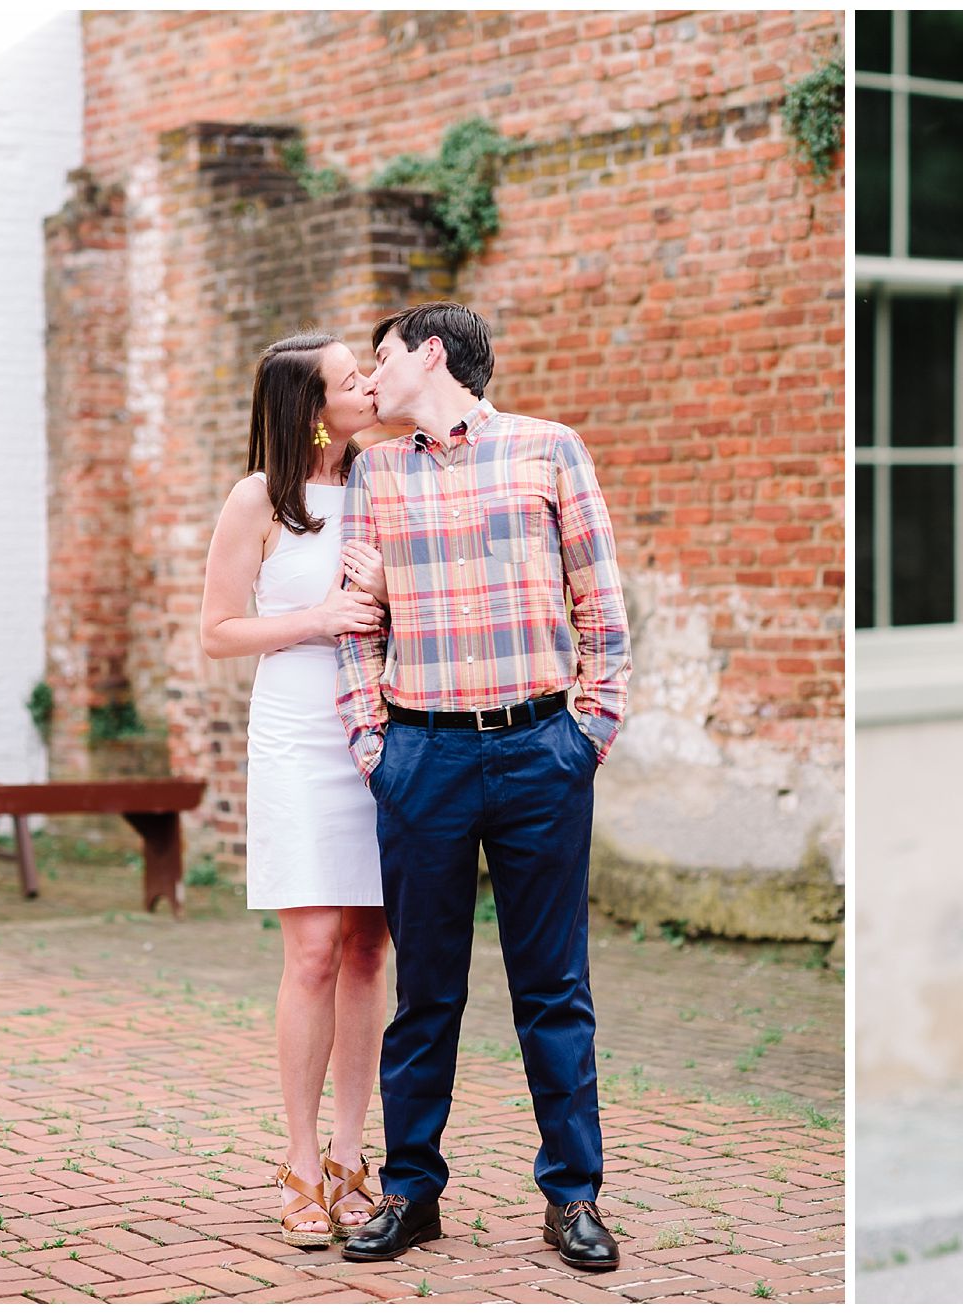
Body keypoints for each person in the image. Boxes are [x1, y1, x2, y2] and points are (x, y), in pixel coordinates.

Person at [333, 302, 632, 1270]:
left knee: (554, 988)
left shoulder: (550, 449)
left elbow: (600, 594)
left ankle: (574, 1196)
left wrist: (592, 727)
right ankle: (411, 1192)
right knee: (425, 992)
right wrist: (372, 743)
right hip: (423, 757)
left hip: (541, 748)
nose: (371, 381)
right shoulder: (376, 471)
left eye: (381, 360)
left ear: (429, 353)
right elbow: (356, 616)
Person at [199, 332, 394, 1247]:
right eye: (353, 378)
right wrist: (318, 617)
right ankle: (301, 1159)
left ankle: (357, 1155)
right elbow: (218, 631)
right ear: (312, 410)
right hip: (296, 737)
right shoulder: (258, 499)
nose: (369, 383)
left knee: (367, 950)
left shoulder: (390, 479)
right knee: (313, 950)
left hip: (384, 732)